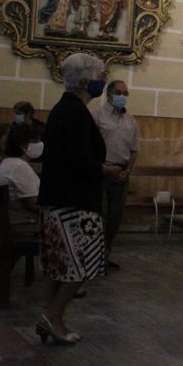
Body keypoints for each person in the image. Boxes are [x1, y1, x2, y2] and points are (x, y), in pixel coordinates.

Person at [36, 53, 115, 345]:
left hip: (58, 198)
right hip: (74, 202)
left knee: (58, 266)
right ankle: (53, 315)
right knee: (80, 265)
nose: (102, 82)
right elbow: (80, 159)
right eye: (99, 76)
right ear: (85, 80)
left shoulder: (63, 108)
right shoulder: (75, 112)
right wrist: (104, 170)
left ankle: (48, 316)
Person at [92, 81, 139, 270]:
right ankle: (93, 257)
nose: (123, 96)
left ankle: (105, 255)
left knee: (114, 217)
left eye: (126, 93)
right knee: (99, 216)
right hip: (101, 173)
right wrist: (102, 167)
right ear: (109, 94)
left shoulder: (130, 120)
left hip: (121, 173)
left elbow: (134, 150)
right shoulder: (96, 116)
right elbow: (90, 146)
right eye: (119, 92)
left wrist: (127, 171)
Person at [0, 124, 43, 226]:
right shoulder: (19, 167)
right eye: (35, 141)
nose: (40, 144)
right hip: (22, 219)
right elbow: (34, 204)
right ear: (22, 145)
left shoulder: (8, 162)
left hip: (8, 216)